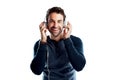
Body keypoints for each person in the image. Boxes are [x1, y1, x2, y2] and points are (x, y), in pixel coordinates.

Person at [30, 6, 86, 80]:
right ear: (46, 23)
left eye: (59, 21)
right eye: (52, 21)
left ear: (64, 23)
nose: (55, 25)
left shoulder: (75, 41)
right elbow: (36, 71)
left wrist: (67, 39)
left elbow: (79, 67)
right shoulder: (40, 44)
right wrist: (43, 42)